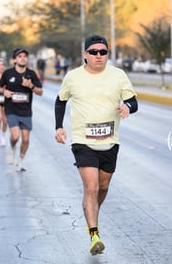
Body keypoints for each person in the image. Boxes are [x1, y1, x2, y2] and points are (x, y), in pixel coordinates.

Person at [54, 35, 138, 255]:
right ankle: (94, 234)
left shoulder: (118, 75)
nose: (99, 56)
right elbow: (61, 100)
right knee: (91, 188)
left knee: (103, 187)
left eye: (103, 52)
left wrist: (128, 106)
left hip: (110, 141)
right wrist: (58, 127)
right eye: (94, 52)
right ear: (85, 54)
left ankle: (91, 211)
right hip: (83, 141)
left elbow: (133, 101)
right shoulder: (73, 77)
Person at [0, 48, 43, 171]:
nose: (23, 58)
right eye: (20, 56)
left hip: (26, 111)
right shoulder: (8, 73)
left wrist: (30, 85)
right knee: (15, 136)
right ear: (15, 59)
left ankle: (20, 160)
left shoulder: (31, 74)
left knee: (26, 139)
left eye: (25, 56)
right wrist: (4, 91)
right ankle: (12, 149)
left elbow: (40, 92)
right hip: (11, 110)